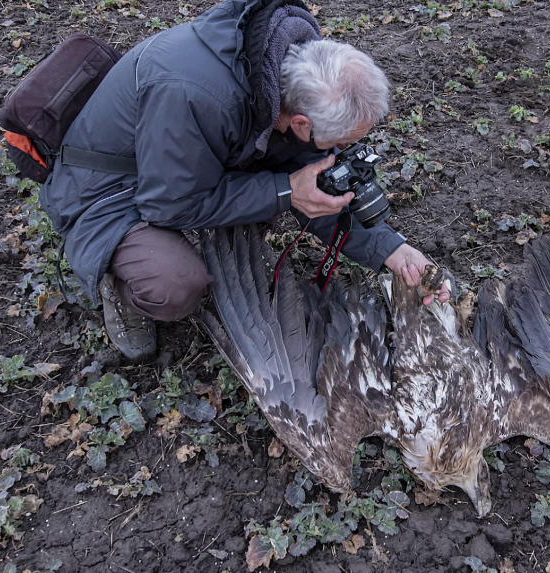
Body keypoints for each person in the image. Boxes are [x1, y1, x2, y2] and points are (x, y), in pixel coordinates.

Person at [39, 0, 449, 361]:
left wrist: (391, 250)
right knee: (177, 285)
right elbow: (168, 205)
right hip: (107, 188)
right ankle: (122, 285)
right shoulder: (198, 96)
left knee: (274, 190)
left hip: (180, 161)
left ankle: (219, 241)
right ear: (302, 123)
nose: (337, 151)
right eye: (339, 142)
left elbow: (319, 183)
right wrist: (288, 191)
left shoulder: (284, 73)